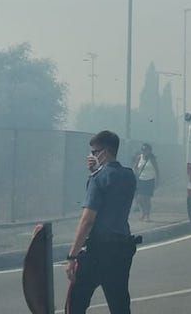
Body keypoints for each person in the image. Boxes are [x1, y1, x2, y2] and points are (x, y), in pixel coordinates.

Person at [66, 130, 139, 314]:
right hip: (122, 249)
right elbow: (113, 189)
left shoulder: (97, 180)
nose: (91, 156)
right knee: (120, 304)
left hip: (99, 251)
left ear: (104, 152)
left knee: (76, 302)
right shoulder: (129, 176)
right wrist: (96, 171)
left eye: (93, 152)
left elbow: (87, 220)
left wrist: (72, 256)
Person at [131, 143, 159, 222]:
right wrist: (135, 173)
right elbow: (135, 167)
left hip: (150, 180)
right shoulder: (139, 157)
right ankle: (143, 213)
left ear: (149, 151)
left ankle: (147, 215)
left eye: (146, 150)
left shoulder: (152, 159)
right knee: (139, 198)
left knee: (147, 198)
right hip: (141, 179)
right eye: (142, 150)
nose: (144, 151)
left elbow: (157, 170)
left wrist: (157, 180)